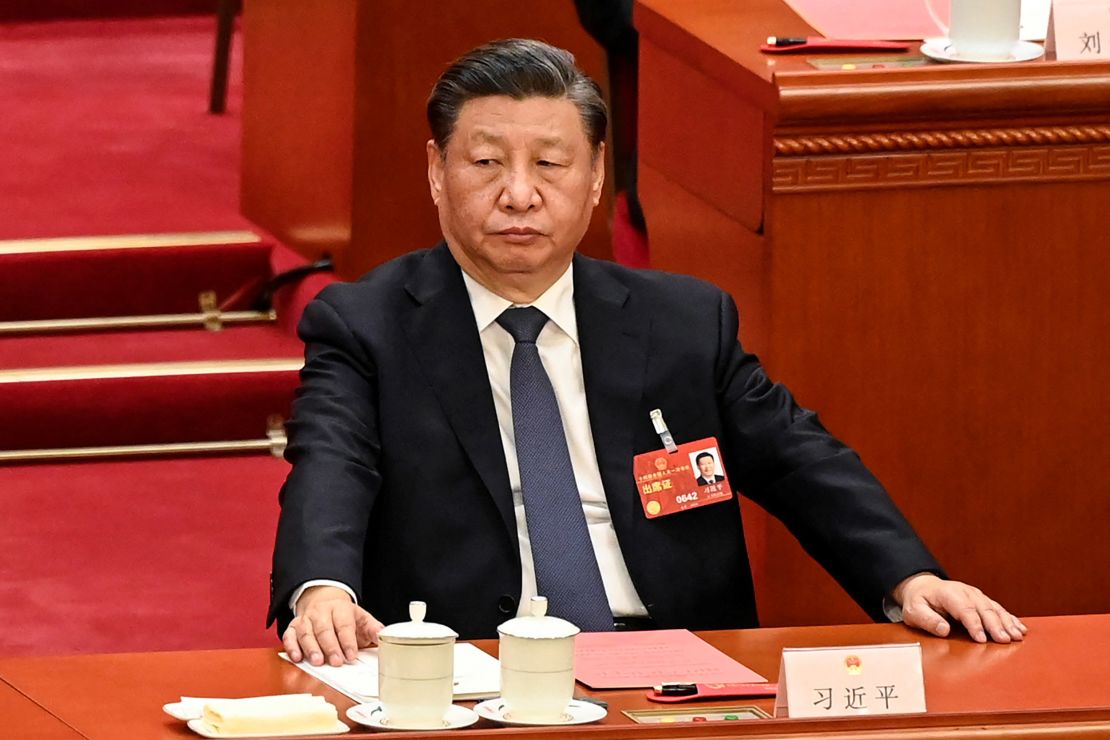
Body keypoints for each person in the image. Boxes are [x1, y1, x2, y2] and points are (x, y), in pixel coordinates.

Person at [270, 39, 1026, 668]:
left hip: (678, 659)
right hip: (475, 665)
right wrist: (323, 588)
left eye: (551, 165)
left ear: (597, 176)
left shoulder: (683, 320)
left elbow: (799, 458)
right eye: (487, 163)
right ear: (437, 171)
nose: (520, 194)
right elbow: (332, 464)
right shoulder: (366, 324)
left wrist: (907, 575)